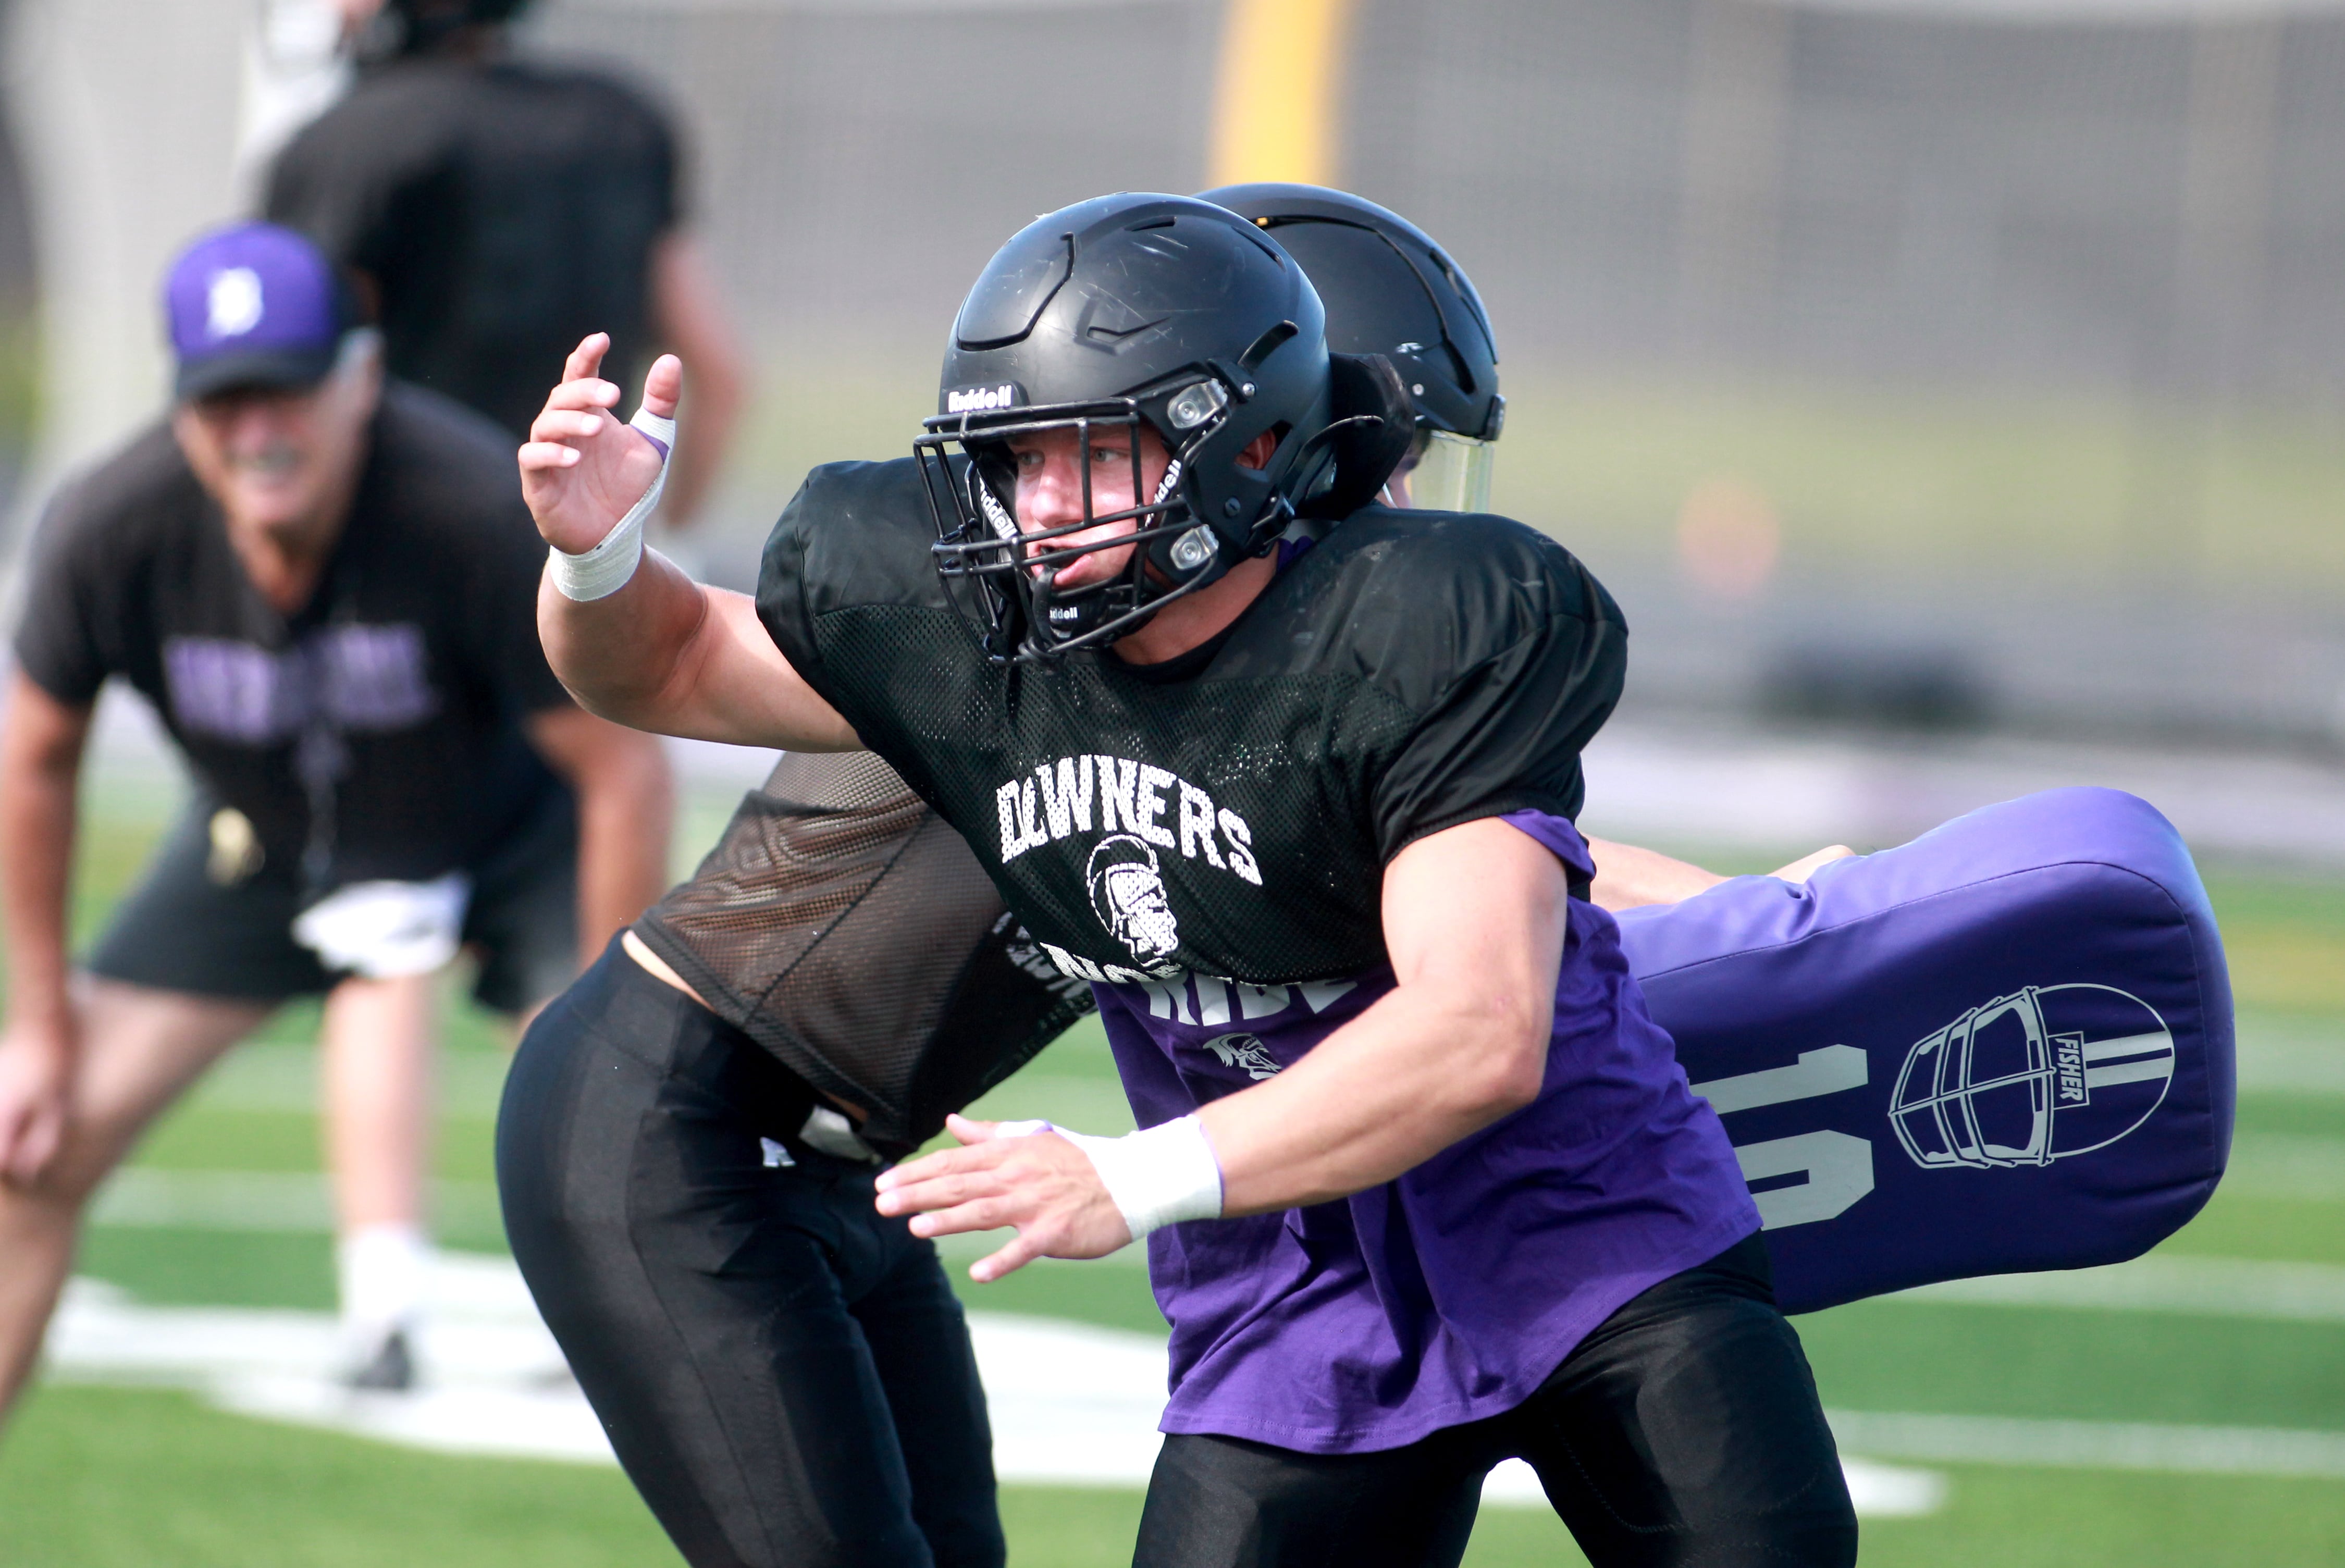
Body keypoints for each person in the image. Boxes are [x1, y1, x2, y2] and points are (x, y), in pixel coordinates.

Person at [521, 192, 1858, 1567]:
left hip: (1581, 1247)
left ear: (1260, 441)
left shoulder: (1406, 633)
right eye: (1016, 458)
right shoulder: (978, 642)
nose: (1038, 506)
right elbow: (673, 661)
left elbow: (1475, 974)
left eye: (1086, 457)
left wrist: (1132, 1176)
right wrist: (596, 552)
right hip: (1278, 1294)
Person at [0, 222, 671, 1409]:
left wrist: (612, 1020)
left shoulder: (466, 506)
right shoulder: (114, 529)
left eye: (290, 392)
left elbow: (620, 767)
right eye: (224, 401)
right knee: (24, 1153)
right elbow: (36, 754)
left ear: (360, 377)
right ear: (180, 409)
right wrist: (39, 1021)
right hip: (267, 840)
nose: (259, 432)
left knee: (635, 1177)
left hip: (507, 831)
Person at [264, 0, 746, 535]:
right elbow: (720, 376)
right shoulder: (621, 120)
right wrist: (660, 547)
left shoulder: (350, 144)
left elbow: (288, 382)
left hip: (408, 562)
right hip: (571, 557)